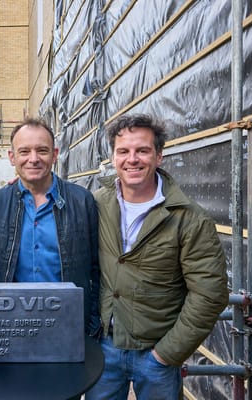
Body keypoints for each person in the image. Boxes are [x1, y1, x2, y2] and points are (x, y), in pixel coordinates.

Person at [85, 114, 229, 399]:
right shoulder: (96, 203)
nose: (132, 159)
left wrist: (166, 354)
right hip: (104, 348)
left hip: (157, 355)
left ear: (159, 156)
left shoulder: (188, 218)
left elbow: (209, 293)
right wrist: (26, 187)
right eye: (123, 151)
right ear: (113, 157)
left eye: (143, 150)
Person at [0, 117, 100, 332]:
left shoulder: (82, 201)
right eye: (24, 151)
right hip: (13, 324)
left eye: (42, 150)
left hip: (68, 323)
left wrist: (91, 324)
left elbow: (97, 269)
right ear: (12, 157)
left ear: (55, 155)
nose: (33, 159)